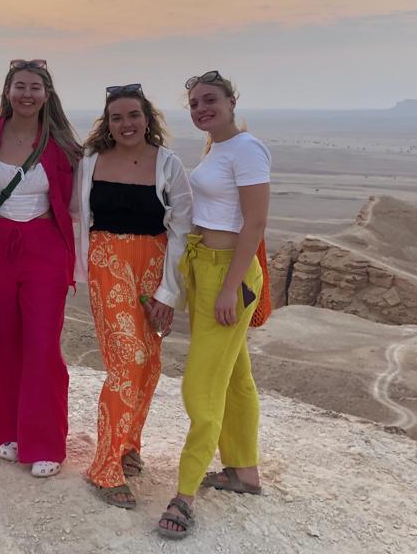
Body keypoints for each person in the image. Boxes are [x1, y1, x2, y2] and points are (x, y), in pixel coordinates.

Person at [157, 71, 271, 540]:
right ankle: (244, 471)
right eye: (194, 104)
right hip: (206, 269)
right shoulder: (217, 147)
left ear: (231, 101)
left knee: (201, 387)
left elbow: (256, 222)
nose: (202, 109)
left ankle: (184, 496)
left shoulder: (247, 148)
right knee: (236, 377)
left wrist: (230, 287)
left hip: (228, 274)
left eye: (210, 100)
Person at [74, 84, 192, 509]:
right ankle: (104, 467)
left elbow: (182, 227)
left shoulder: (168, 163)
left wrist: (168, 291)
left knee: (150, 362)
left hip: (154, 268)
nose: (126, 124)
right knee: (128, 359)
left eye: (133, 115)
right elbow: (78, 216)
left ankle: (127, 444)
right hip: (108, 263)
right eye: (117, 117)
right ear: (107, 123)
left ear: (148, 118)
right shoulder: (91, 161)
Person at [0, 59, 82, 478]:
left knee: (42, 345)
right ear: (8, 91)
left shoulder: (62, 146)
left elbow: (81, 199)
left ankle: (45, 442)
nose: (27, 94)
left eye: (35, 87)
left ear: (47, 94)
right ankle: (8, 432)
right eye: (20, 86)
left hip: (43, 248)